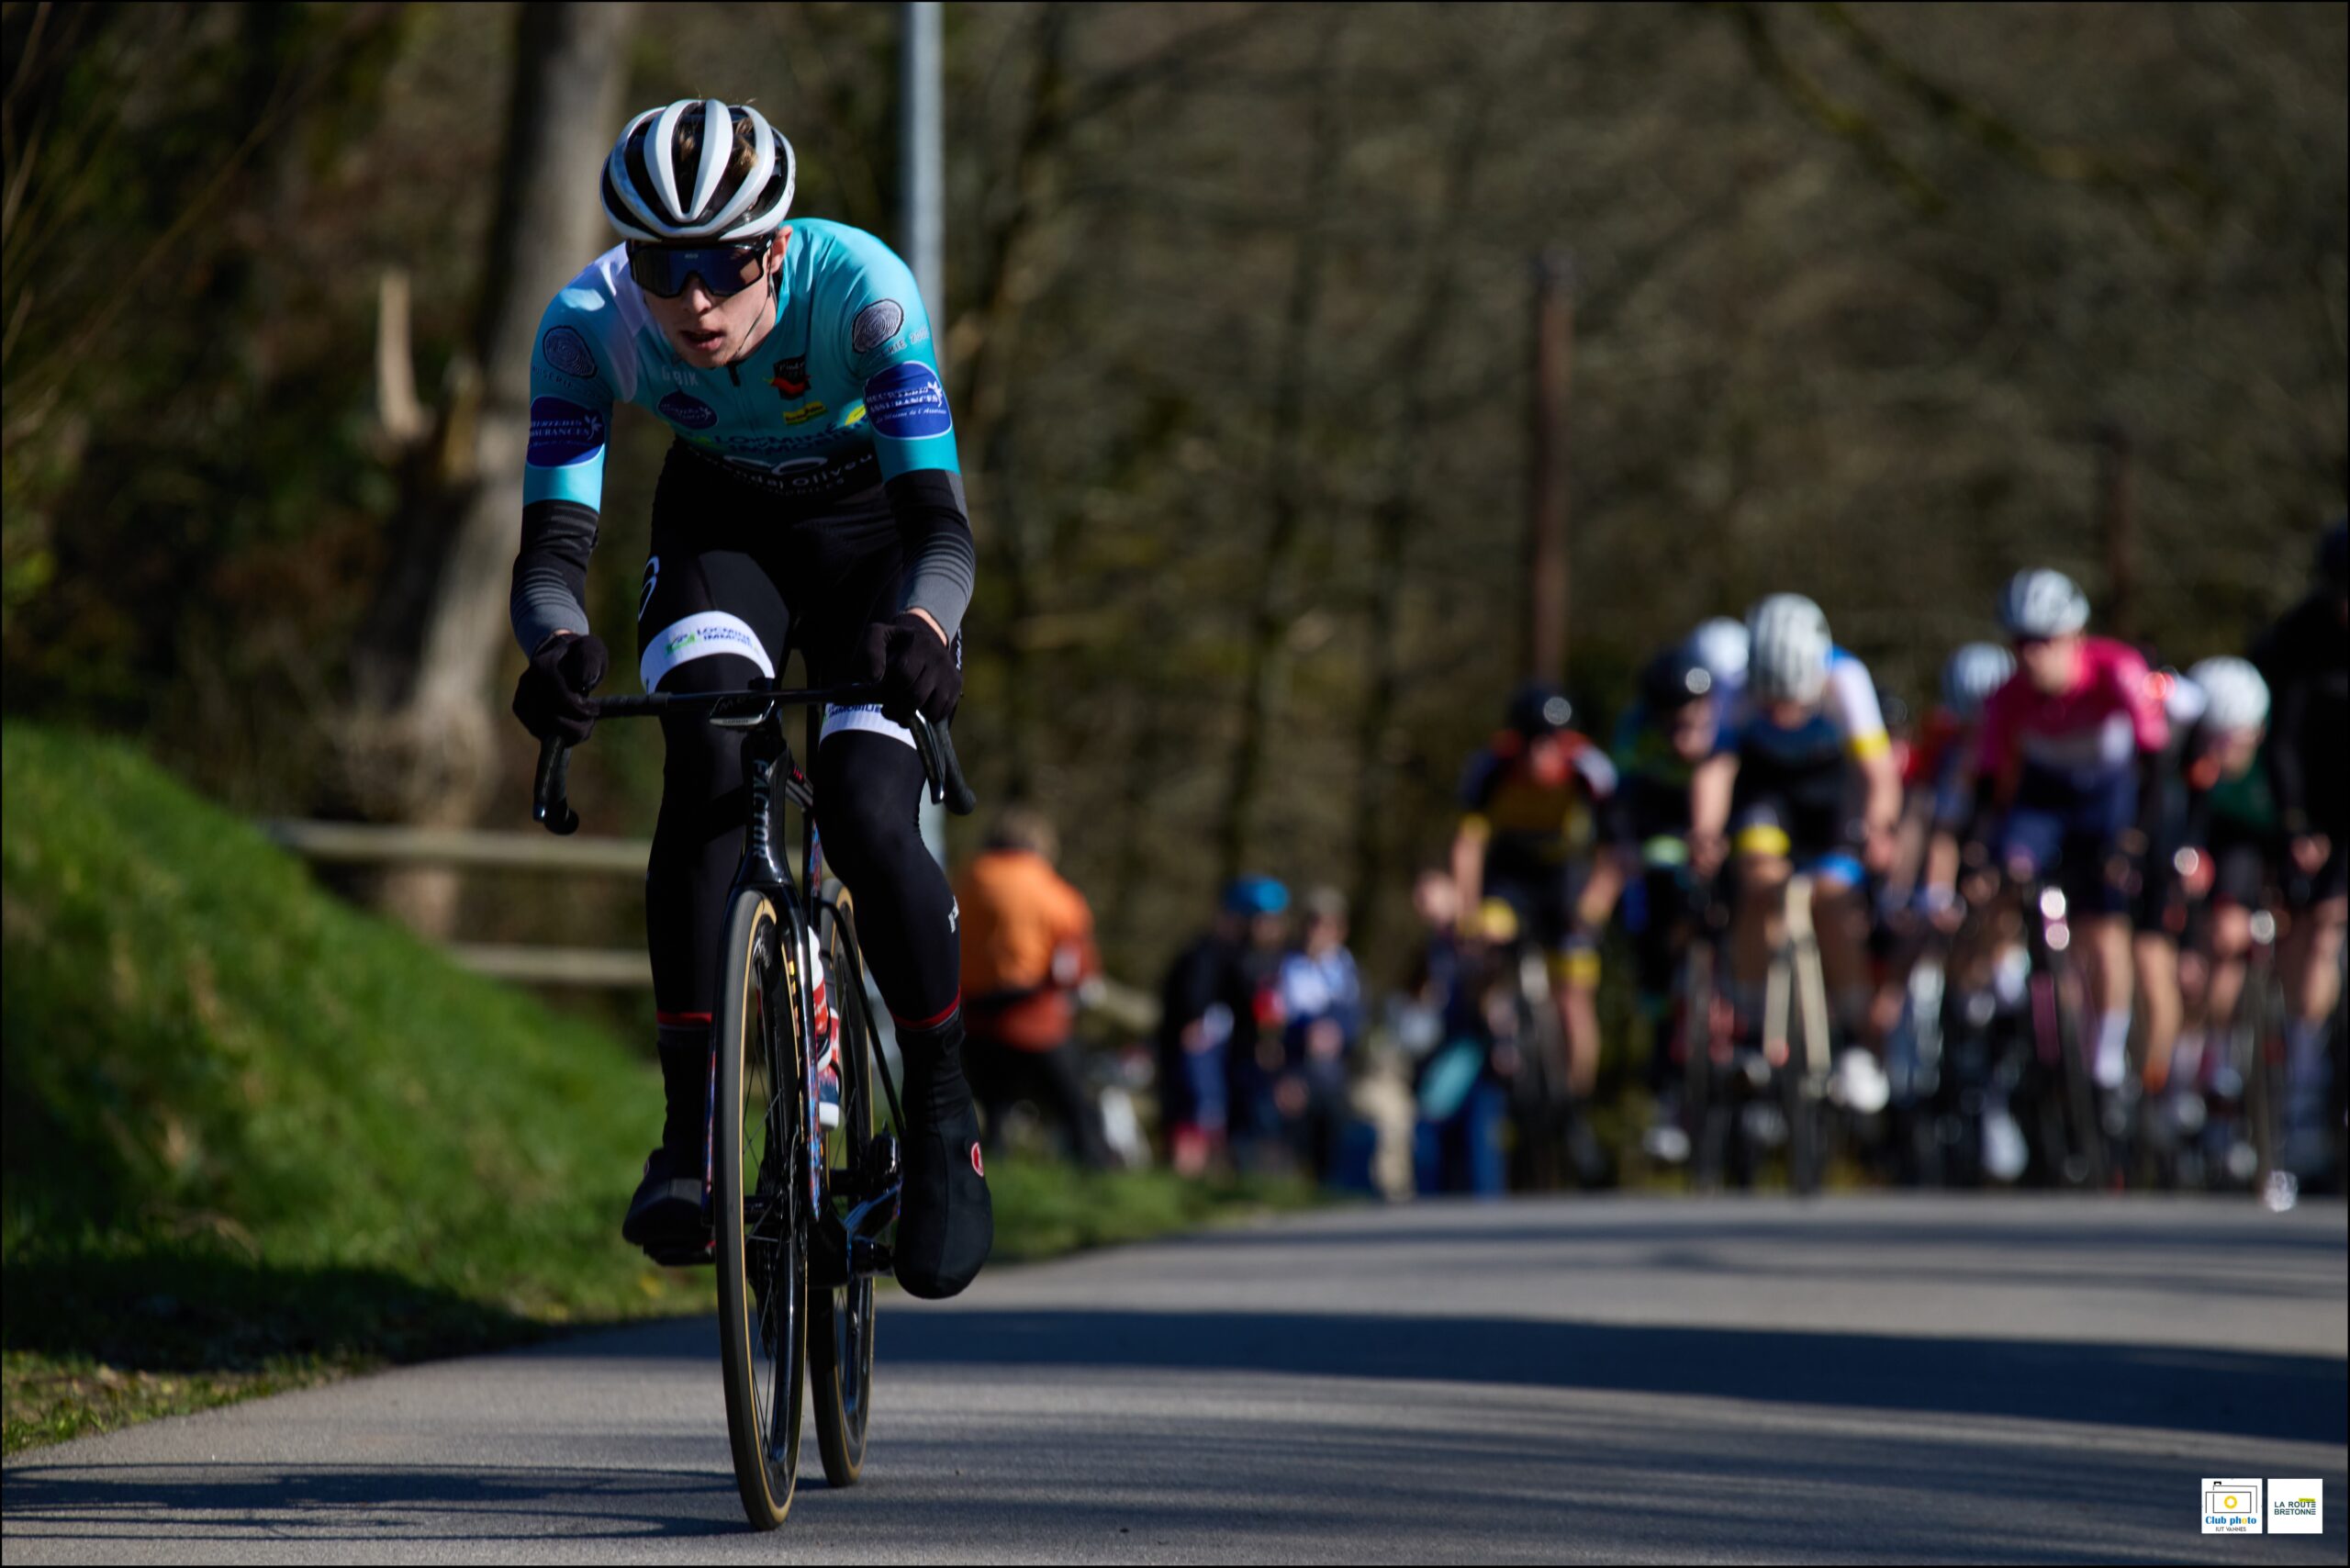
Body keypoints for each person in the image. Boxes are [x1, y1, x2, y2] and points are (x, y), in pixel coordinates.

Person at [505, 99, 989, 1299]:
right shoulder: (585, 328)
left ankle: (942, 1109)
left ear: (775, 247)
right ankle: (691, 1136)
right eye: (662, 265)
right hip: (723, 530)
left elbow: (941, 531)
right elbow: (551, 557)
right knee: (709, 759)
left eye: (724, 264)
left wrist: (927, 630)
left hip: (876, 539)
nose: (693, 300)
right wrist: (555, 648)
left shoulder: (864, 294)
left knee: (868, 808)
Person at [1689, 594, 1901, 1112]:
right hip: (1770, 796)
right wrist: (1705, 832)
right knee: (1758, 882)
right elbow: (1716, 769)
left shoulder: (1846, 679)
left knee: (1834, 897)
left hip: (1831, 799)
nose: (1783, 715)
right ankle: (1752, 1024)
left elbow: (1878, 773)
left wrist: (1878, 828)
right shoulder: (1735, 685)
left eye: (1794, 702)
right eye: (1772, 703)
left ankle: (1852, 1041)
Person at [1965, 568, 2170, 1097]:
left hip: (2109, 797)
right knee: (2005, 876)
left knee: (2103, 923)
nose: (2033, 655)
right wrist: (1979, 854)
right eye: (2021, 643)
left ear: (2076, 637)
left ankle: (2106, 1057)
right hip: (2045, 798)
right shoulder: (2006, 696)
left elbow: (2155, 764)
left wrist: (2134, 840)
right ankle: (2008, 991)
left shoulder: (2117, 669)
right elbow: (1988, 786)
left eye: (2046, 641)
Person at [1449, 683, 1625, 1110]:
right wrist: (1466, 912)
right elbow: (1468, 845)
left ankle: (1574, 1103)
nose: (1538, 754)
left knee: (1574, 995)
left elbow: (1614, 854)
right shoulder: (1490, 768)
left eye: (1549, 742)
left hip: (1565, 880)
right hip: (1510, 878)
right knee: (1486, 937)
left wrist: (1594, 908)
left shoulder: (1591, 770)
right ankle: (1494, 1033)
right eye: (1529, 741)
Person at [2251, 520, 2349, 1171]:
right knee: (2316, 929)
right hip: (2312, 810)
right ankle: (2307, 1082)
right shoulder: (2295, 641)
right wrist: (2293, 823)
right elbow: (2278, 743)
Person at [1612, 643, 1725, 1163]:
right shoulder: (1634, 734)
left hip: (1718, 836)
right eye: (1675, 721)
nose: (1686, 732)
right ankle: (1665, 1078)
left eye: (1695, 717)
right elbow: (1621, 806)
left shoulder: (1727, 725)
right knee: (1653, 921)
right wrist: (1627, 850)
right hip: (1661, 833)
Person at [956, 807, 1108, 1169]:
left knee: (993, 1104)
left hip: (973, 1016)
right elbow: (1073, 965)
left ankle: (992, 1169)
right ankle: (1097, 1168)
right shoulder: (1055, 893)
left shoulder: (964, 880)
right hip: (1033, 1018)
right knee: (1074, 1101)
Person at [1155, 876, 1288, 1175]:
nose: (1272, 928)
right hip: (1199, 1055)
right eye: (1265, 921)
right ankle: (1187, 1177)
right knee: (1197, 1114)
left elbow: (1259, 1009)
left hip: (1233, 1060)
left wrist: (1267, 1038)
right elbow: (1192, 1006)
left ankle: (1214, 1178)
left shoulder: (1258, 959)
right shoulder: (1206, 953)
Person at [1273, 887, 1364, 1181]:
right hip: (1292, 1064)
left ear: (1341, 930)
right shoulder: (1284, 965)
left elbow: (1355, 1020)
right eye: (1314, 923)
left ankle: (1328, 1178)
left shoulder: (1348, 970)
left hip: (1334, 1070)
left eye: (1328, 925)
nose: (1319, 932)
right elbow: (1272, 1021)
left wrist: (1334, 1031)